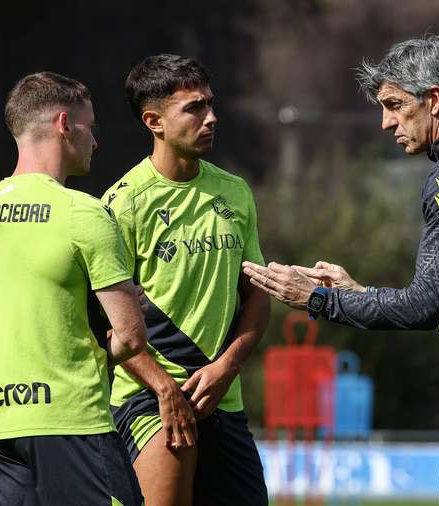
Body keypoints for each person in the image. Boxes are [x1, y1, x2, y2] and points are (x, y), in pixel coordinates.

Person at [243, 36, 439, 506]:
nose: (385, 122)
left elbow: (422, 305)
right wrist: (360, 290)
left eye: (395, 105)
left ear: (432, 99)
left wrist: (319, 299)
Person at [0, 71, 146, 506]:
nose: (94, 140)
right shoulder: (82, 212)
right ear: (65, 125)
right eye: (90, 126)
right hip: (71, 421)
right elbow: (131, 337)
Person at [103, 54, 270, 506]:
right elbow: (110, 324)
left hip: (222, 394)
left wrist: (226, 368)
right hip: (152, 397)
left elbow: (257, 295)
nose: (211, 117)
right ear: (154, 121)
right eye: (194, 108)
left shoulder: (234, 191)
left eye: (210, 104)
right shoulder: (123, 205)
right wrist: (163, 388)